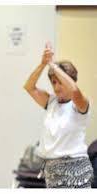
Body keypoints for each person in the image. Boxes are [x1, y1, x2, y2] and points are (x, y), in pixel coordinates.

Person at [24, 42, 94, 188]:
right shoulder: (51, 101)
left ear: (70, 81)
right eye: (54, 82)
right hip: (51, 170)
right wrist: (43, 64)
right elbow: (29, 87)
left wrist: (54, 66)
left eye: (60, 82)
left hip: (76, 169)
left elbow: (74, 90)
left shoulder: (79, 104)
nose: (56, 87)